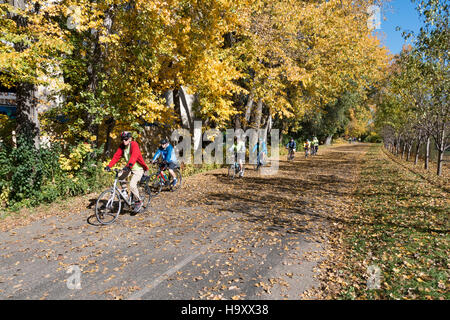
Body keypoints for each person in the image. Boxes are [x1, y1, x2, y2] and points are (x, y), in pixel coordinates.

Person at [105, 131, 149, 213]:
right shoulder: (122, 146)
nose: (124, 141)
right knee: (120, 176)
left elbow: (134, 156)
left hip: (138, 169)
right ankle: (124, 192)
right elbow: (116, 156)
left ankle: (138, 201)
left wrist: (129, 166)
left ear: (130, 139)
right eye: (122, 139)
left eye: (126, 139)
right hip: (129, 167)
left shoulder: (134, 144)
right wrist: (109, 166)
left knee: (132, 185)